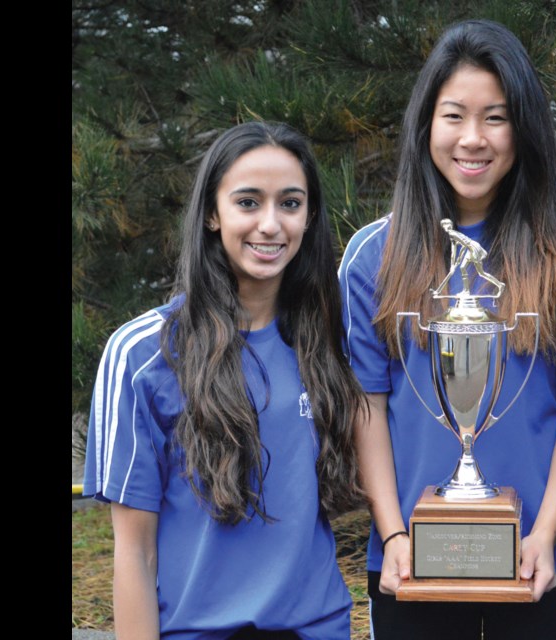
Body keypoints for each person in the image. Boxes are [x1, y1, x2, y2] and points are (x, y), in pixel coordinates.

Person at [338, 19, 556, 640]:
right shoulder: (374, 255)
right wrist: (395, 531)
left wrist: (546, 532)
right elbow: (367, 409)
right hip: (411, 563)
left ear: (524, 127)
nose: (473, 139)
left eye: (496, 118)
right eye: (454, 116)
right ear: (426, 124)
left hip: (546, 560)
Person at [83, 121, 365, 640]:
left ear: (309, 216)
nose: (271, 224)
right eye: (248, 202)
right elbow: (135, 552)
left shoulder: (332, 340)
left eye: (290, 203)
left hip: (318, 627)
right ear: (213, 213)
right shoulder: (142, 354)